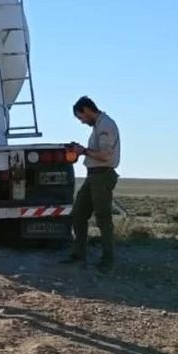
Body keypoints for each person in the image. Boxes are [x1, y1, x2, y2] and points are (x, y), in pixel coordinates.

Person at [63, 96, 121, 273]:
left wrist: (84, 151)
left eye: (81, 117)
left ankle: (107, 260)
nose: (81, 121)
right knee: (78, 214)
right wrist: (81, 151)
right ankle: (79, 254)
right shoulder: (99, 126)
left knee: (103, 218)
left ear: (86, 110)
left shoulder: (105, 126)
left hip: (102, 176)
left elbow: (105, 155)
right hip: (94, 175)